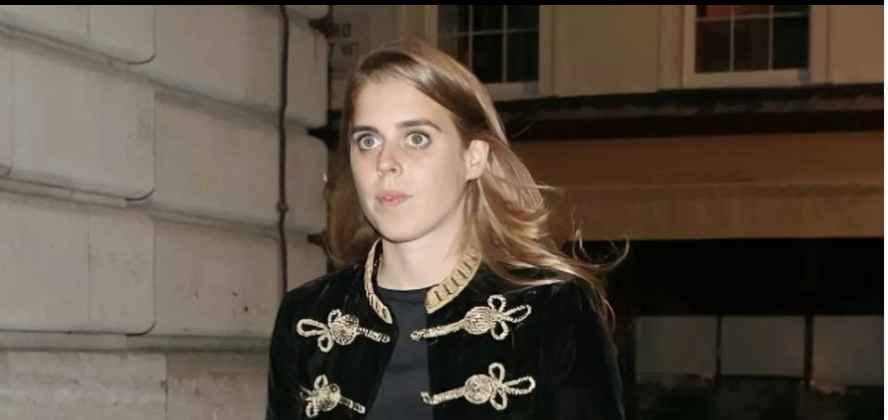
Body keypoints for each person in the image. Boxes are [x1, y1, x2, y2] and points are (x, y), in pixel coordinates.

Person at [265, 39, 625, 420]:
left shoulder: (552, 308)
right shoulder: (306, 317)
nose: (386, 162)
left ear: (473, 157)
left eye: (416, 138)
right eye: (367, 140)